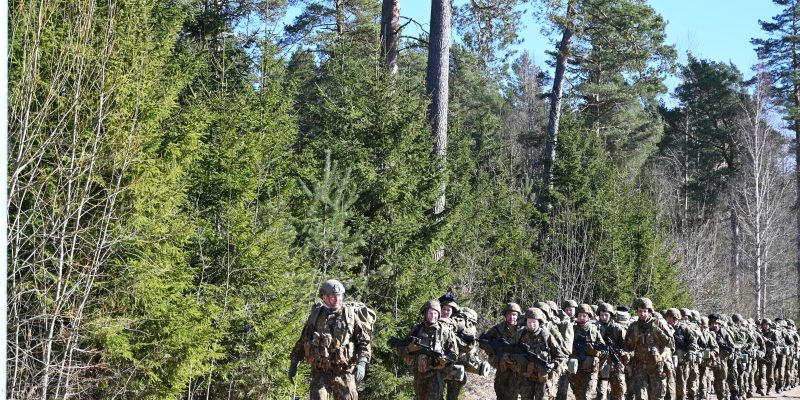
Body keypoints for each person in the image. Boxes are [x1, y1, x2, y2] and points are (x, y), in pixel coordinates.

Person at [290, 279, 375, 400]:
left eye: (339, 295)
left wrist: (362, 363)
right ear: (324, 297)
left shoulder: (350, 315)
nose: (337, 299)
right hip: (320, 371)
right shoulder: (316, 316)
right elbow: (303, 340)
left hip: (344, 371)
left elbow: (363, 341)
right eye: (332, 296)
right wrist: (294, 362)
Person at [400, 299, 460, 400]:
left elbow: (454, 355)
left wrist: (445, 359)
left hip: (436, 375)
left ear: (439, 315)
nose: (433, 316)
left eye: (435, 313)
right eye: (430, 313)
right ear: (425, 314)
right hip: (419, 375)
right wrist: (408, 349)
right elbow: (400, 349)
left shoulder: (445, 331)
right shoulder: (417, 329)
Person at [625, 297, 674, 400]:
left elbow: (671, 344)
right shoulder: (633, 327)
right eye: (640, 311)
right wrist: (633, 338)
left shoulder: (659, 323)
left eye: (645, 311)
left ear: (650, 311)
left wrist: (659, 332)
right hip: (639, 366)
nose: (642, 314)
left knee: (656, 397)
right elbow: (627, 347)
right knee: (640, 397)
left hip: (656, 367)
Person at [518, 307, 568, 400]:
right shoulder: (520, 334)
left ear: (539, 322)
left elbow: (561, 355)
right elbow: (512, 350)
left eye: (534, 322)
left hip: (543, 377)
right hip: (526, 377)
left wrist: (553, 364)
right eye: (529, 322)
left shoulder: (546, 336)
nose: (531, 325)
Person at [481, 302, 524, 400]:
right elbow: (483, 341)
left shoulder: (522, 330)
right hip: (501, 368)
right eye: (509, 314)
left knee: (512, 394)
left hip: (516, 369)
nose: (512, 317)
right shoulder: (498, 329)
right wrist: (492, 349)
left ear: (518, 316)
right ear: (505, 315)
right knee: (500, 392)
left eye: (514, 315)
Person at [571, 304, 605, 400]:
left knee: (587, 396)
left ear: (589, 317)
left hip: (591, 370)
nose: (582, 318)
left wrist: (595, 353)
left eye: (584, 316)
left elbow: (604, 350)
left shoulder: (594, 330)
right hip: (576, 369)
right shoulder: (572, 329)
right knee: (578, 395)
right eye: (579, 316)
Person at [596, 303, 628, 400]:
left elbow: (626, 347)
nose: (604, 317)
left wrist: (620, 353)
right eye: (601, 315)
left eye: (606, 315)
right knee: (601, 393)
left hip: (615, 363)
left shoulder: (618, 328)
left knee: (618, 393)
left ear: (611, 315)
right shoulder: (594, 328)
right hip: (600, 363)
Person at [664, 308, 698, 400]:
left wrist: (691, 351)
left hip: (681, 361)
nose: (670, 320)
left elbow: (693, 341)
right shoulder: (664, 328)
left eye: (673, 318)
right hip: (668, 361)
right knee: (669, 386)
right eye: (669, 318)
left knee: (681, 385)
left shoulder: (684, 328)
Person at [707, 313, 737, 400]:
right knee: (710, 380)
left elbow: (732, 347)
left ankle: (723, 397)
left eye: (716, 323)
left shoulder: (724, 333)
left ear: (719, 324)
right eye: (712, 323)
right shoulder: (707, 333)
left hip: (722, 360)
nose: (714, 325)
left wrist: (727, 354)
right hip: (710, 361)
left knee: (722, 380)